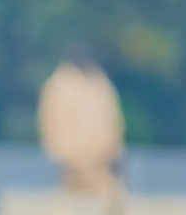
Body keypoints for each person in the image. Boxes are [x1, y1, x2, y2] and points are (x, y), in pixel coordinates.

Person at [37, 50, 123, 196]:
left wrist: (115, 153)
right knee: (70, 204)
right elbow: (50, 122)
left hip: (100, 165)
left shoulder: (101, 85)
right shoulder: (59, 86)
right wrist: (56, 155)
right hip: (71, 165)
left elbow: (114, 122)